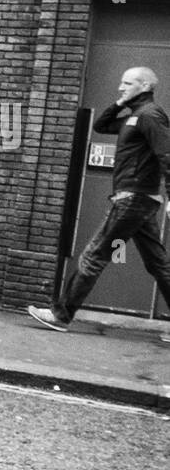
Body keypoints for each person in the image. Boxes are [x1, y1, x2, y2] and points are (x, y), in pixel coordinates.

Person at [29, 66, 170, 331]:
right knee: (158, 263)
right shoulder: (136, 116)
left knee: (95, 255)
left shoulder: (150, 116)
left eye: (127, 83)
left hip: (132, 200)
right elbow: (101, 125)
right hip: (138, 202)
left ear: (146, 87)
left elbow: (166, 155)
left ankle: (61, 315)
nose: (120, 87)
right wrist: (120, 102)